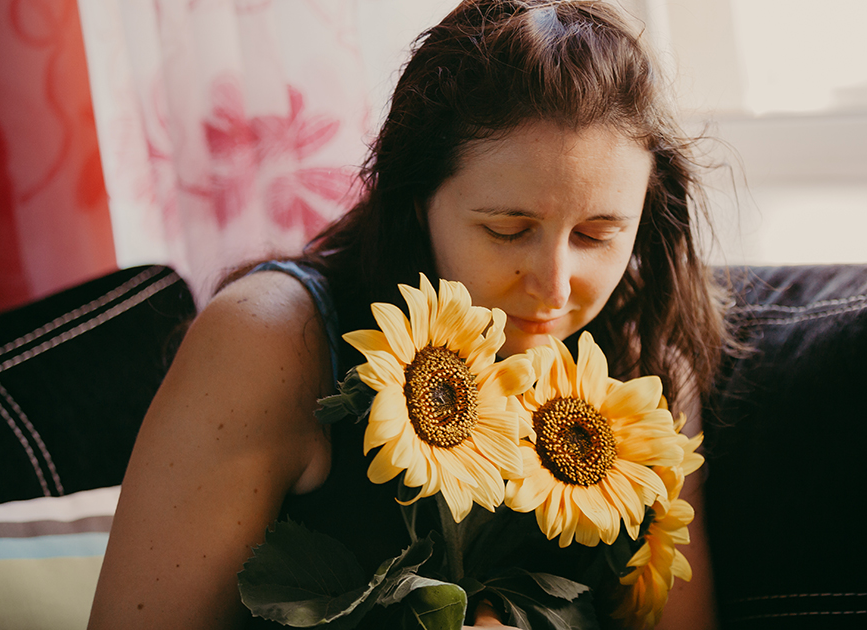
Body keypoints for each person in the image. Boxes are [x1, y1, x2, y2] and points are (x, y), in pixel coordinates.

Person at [88, 1, 730, 628]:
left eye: (596, 235)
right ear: (418, 198)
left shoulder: (645, 373)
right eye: (508, 230)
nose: (555, 286)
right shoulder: (273, 341)